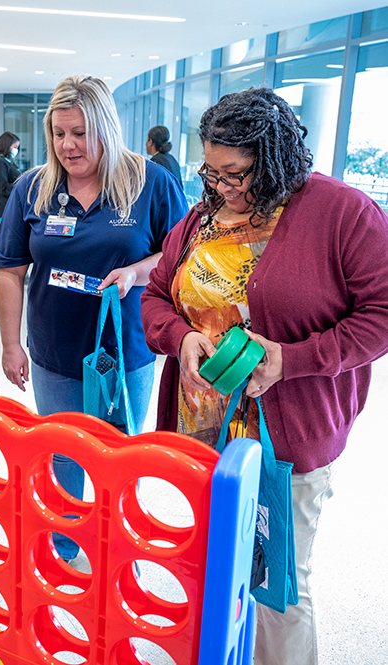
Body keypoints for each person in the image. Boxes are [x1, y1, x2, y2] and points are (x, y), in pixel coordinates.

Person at [140, 87, 388, 665]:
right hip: (206, 432)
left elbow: (379, 317)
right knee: (218, 564)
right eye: (213, 169)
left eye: (237, 172)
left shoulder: (342, 213)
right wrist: (183, 338)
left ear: (275, 158)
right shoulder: (202, 216)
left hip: (288, 438)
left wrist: (289, 359)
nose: (222, 185)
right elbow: (156, 296)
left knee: (278, 588)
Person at [0, 75, 188, 560]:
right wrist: (11, 345)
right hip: (55, 351)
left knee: (118, 455)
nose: (67, 145)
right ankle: (60, 551)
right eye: (59, 133)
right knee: (61, 458)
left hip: (125, 352)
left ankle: (117, 551)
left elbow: (180, 257)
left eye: (80, 132)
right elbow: (10, 272)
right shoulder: (32, 189)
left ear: (105, 128)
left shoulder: (150, 182)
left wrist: (136, 272)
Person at [0, 131, 21, 220]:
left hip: (12, 207)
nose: (16, 150)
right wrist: (20, 187)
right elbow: (3, 188)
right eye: (15, 147)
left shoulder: (8, 161)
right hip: (4, 208)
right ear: (7, 145)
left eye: (17, 147)